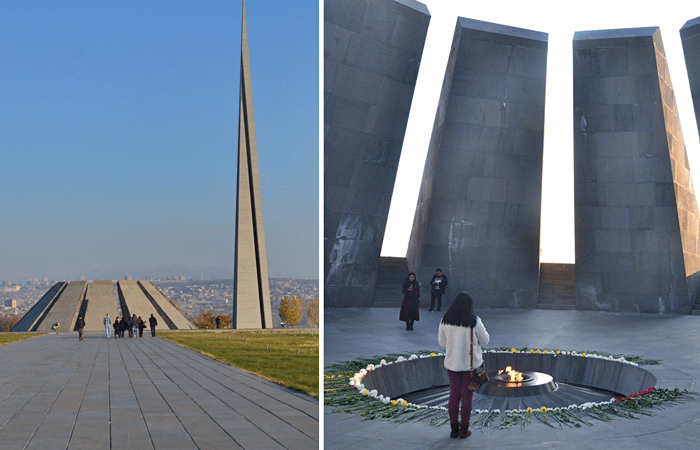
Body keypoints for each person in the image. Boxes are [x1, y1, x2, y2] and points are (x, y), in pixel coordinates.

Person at [438, 292, 489, 439]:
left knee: (454, 395)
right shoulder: (474, 320)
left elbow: (442, 343)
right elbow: (485, 340)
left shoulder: (445, 320)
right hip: (470, 368)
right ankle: (464, 430)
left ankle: (454, 429)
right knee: (467, 396)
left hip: (452, 365)